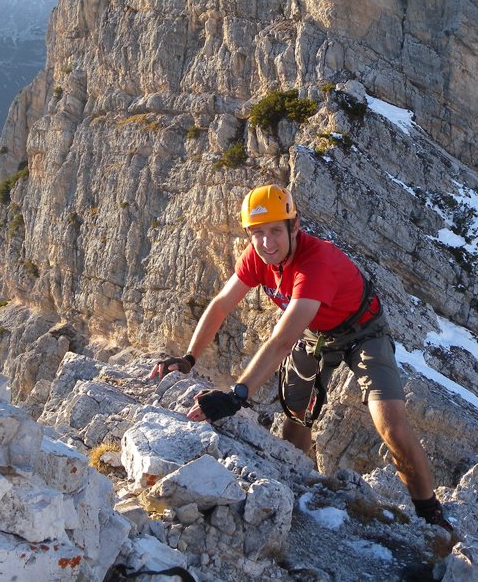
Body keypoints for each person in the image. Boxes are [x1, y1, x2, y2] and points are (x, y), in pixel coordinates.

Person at [150, 183, 453, 532]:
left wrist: (237, 395)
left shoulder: (315, 263)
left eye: (276, 231)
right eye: (257, 233)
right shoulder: (257, 257)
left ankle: (431, 515)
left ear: (295, 227)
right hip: (315, 333)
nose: (267, 243)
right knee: (296, 416)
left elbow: (282, 341)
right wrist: (189, 358)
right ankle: (296, 487)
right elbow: (220, 305)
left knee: (391, 424)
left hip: (363, 331)